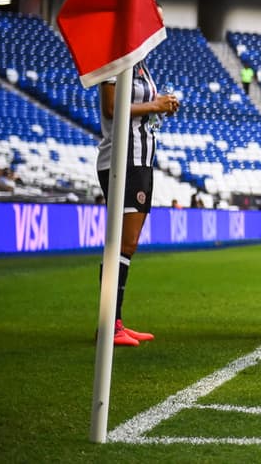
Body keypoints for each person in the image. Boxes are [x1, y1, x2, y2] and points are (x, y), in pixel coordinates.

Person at [96, 19, 179, 347]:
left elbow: (139, 110)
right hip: (122, 160)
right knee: (122, 243)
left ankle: (114, 322)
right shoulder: (116, 59)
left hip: (141, 159)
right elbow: (112, 108)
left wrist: (162, 107)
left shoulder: (140, 65)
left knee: (126, 245)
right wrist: (155, 105)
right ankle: (109, 325)